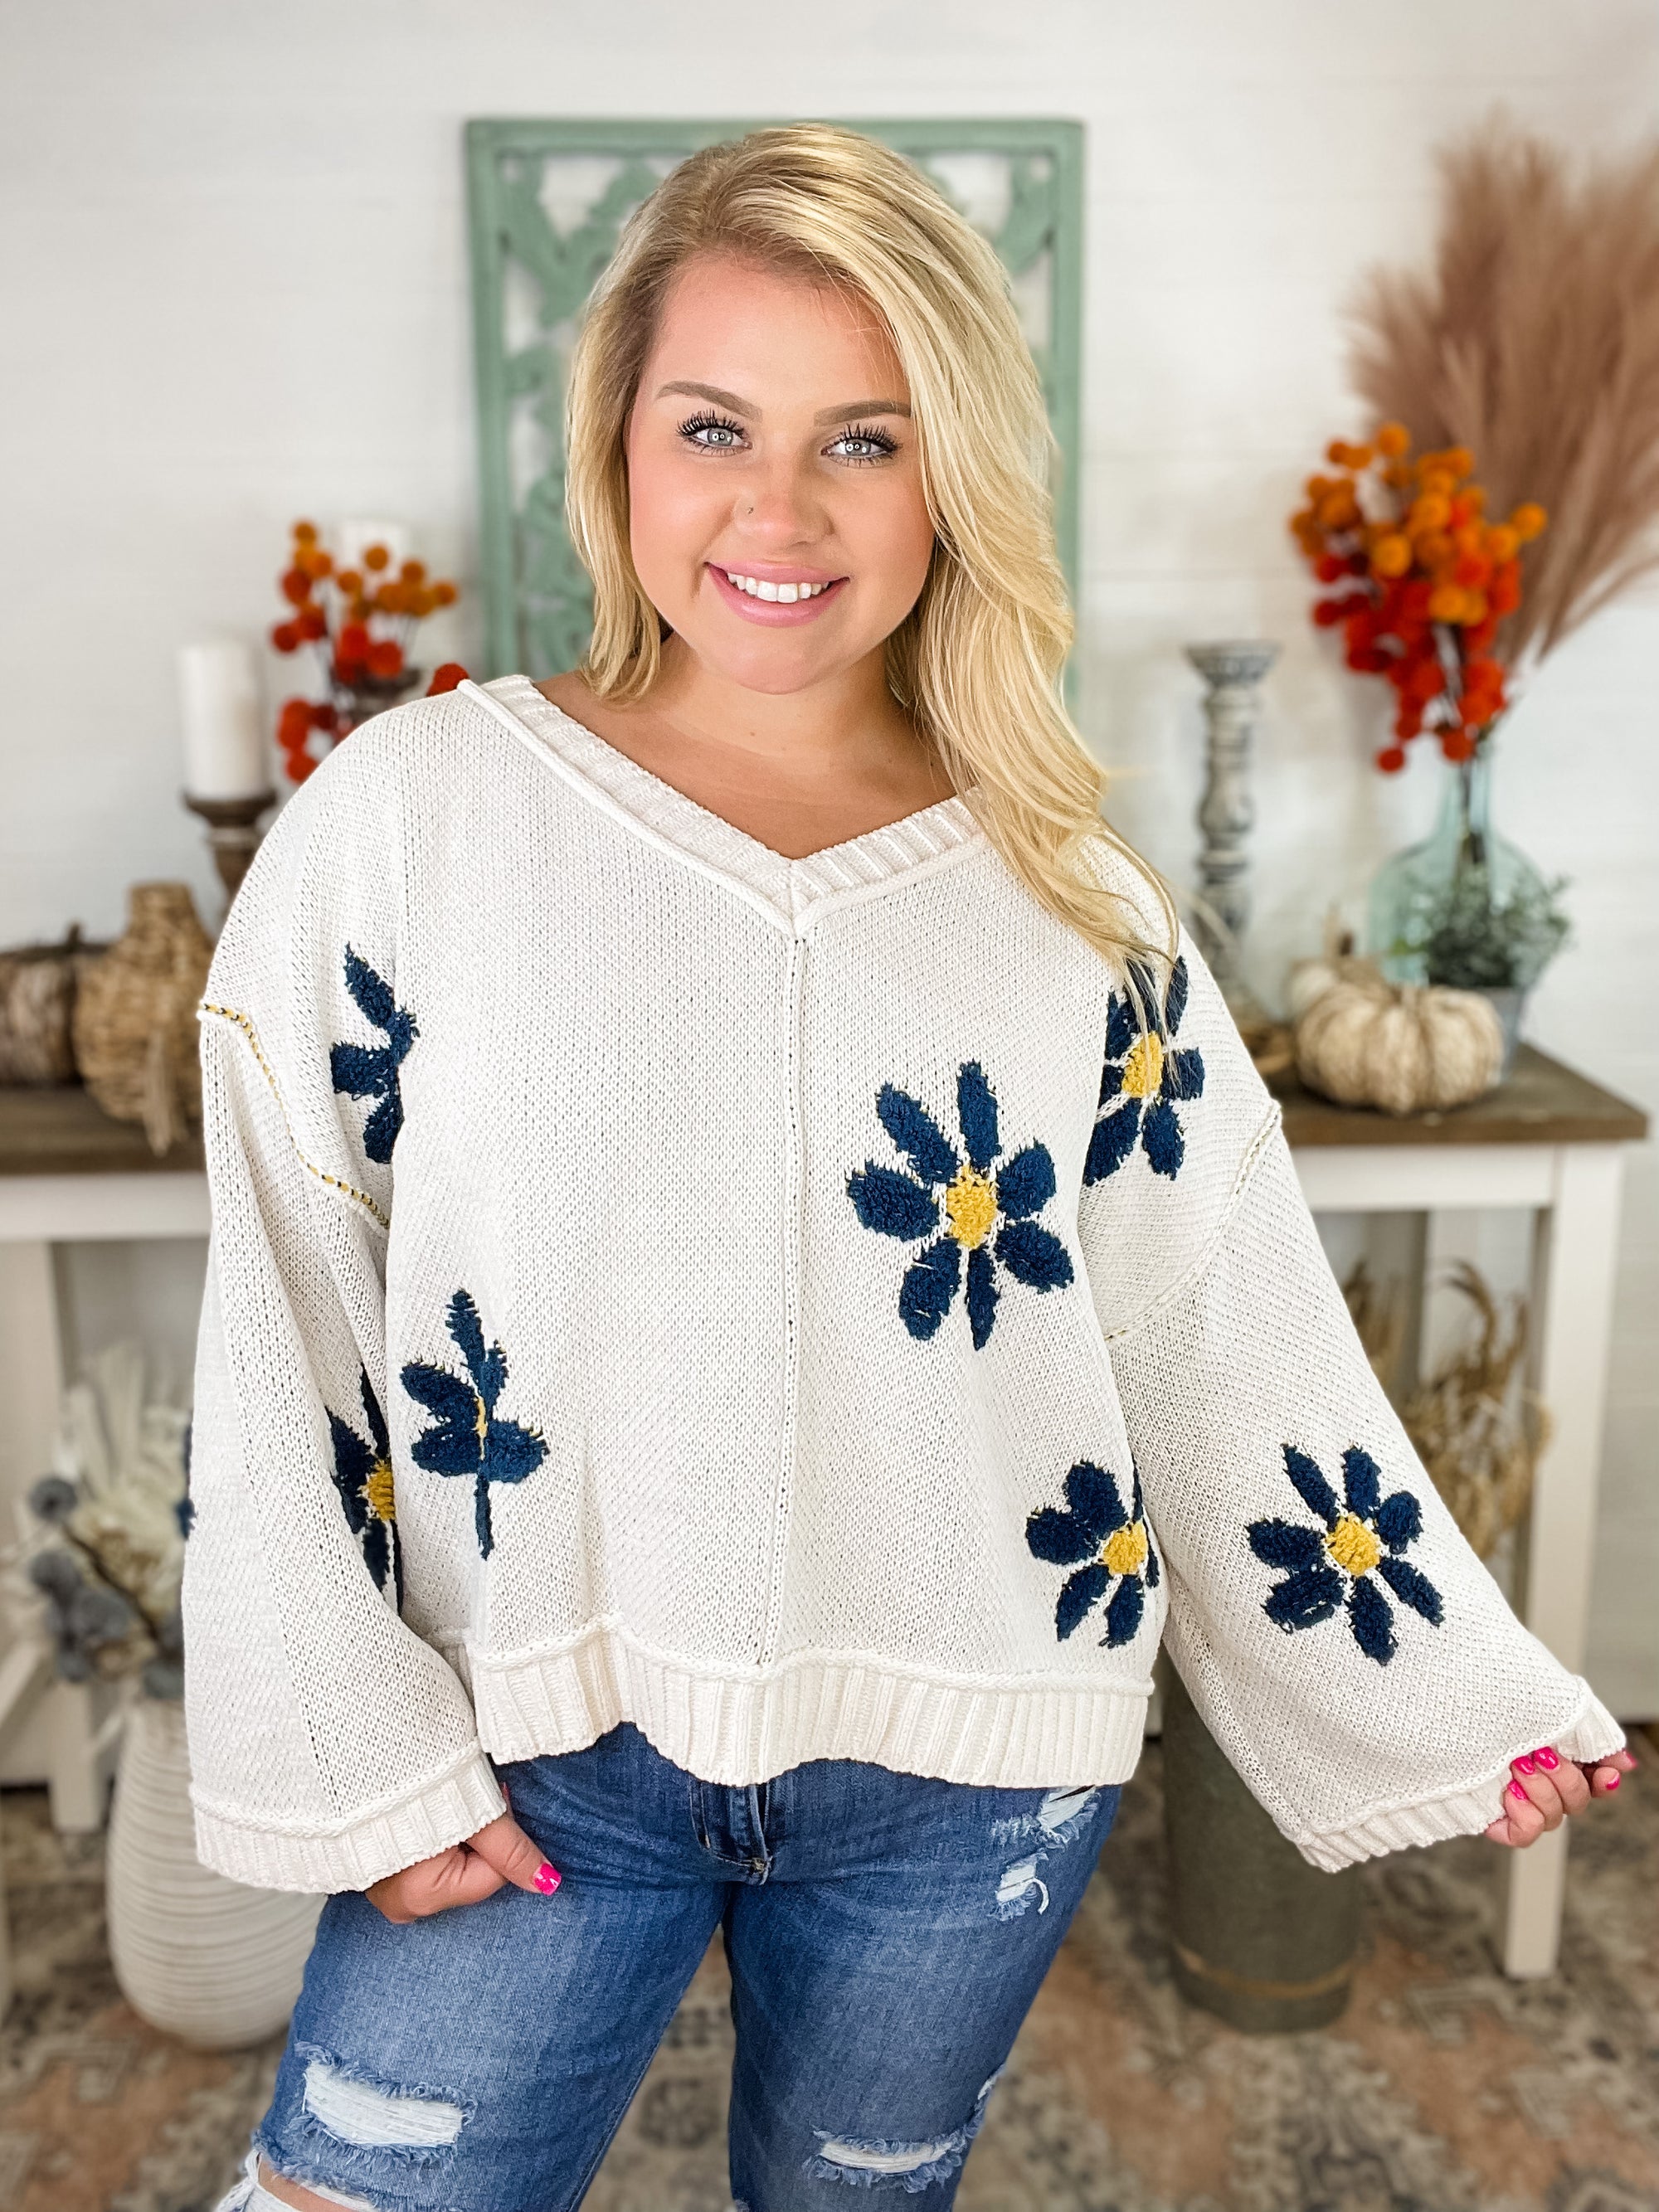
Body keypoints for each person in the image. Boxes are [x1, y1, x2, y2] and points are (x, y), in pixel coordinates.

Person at [192, 125, 1632, 2212]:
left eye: (862, 439)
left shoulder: (1074, 899)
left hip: (969, 1778)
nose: (778, 510)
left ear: (951, 472)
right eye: (714, 426)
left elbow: (1219, 1329)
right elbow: (284, 1295)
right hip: (526, 1748)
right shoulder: (416, 817)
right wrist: (355, 1746)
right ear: (616, 448)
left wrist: (1440, 1689)